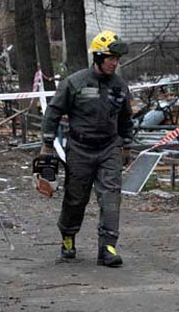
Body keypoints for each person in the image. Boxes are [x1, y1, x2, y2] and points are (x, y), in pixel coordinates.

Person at [40, 30, 134, 266]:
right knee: (76, 198)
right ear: (98, 58)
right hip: (80, 149)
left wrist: (126, 145)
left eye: (116, 59)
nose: (114, 63)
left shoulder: (120, 86)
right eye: (110, 58)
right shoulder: (75, 82)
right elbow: (53, 111)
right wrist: (47, 143)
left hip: (109, 148)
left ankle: (108, 247)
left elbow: (125, 118)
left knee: (111, 197)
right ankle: (68, 236)